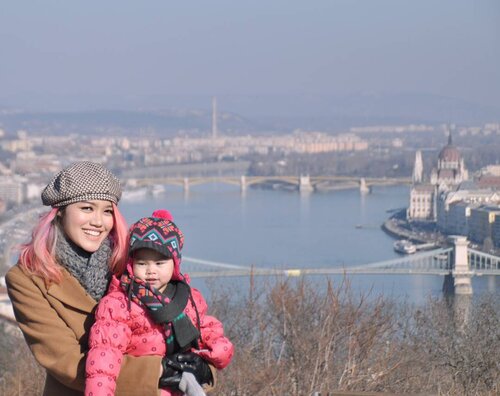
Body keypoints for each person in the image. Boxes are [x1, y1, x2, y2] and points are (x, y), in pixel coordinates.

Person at [6, 161, 215, 396]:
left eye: (107, 211)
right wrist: (160, 370)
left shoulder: (130, 262)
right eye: (87, 208)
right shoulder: (26, 279)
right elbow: (65, 362)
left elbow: (184, 317)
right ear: (60, 211)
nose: (98, 221)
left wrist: (204, 368)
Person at [85, 209, 234, 396]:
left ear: (175, 264)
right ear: (131, 264)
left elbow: (209, 331)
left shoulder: (189, 298)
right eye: (142, 263)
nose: (151, 271)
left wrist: (216, 355)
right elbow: (103, 360)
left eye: (160, 263)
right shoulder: (118, 304)